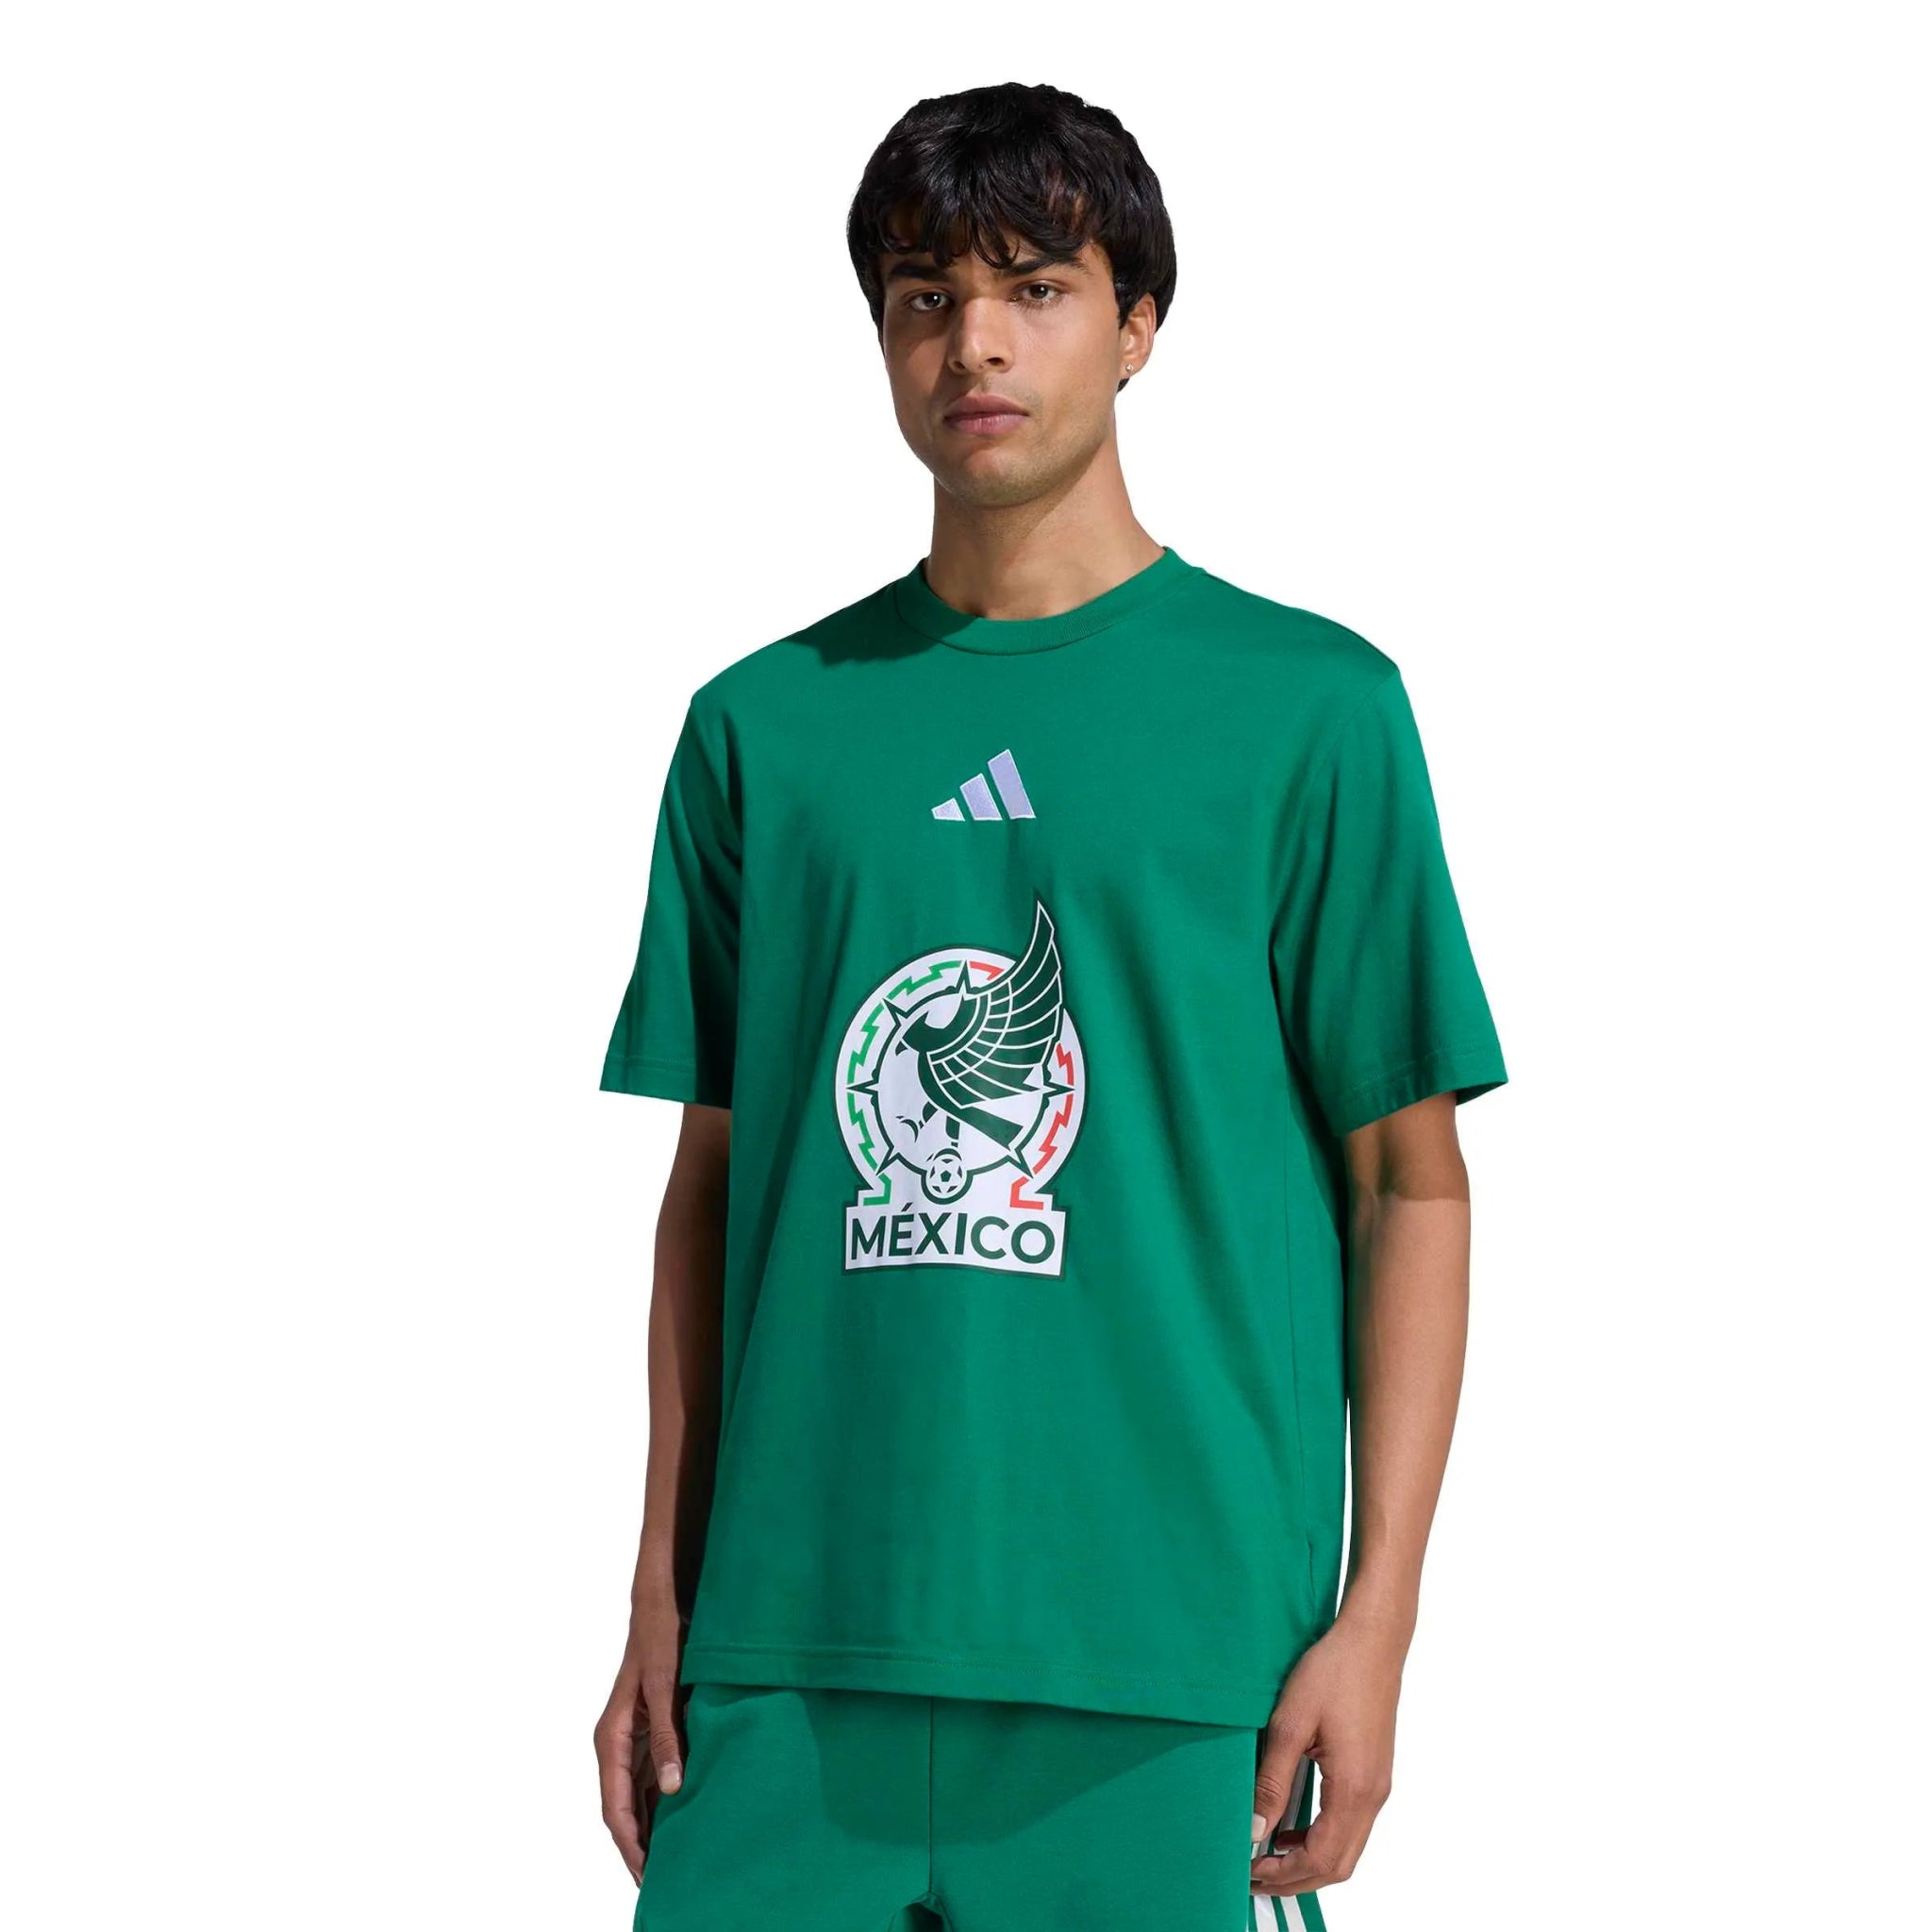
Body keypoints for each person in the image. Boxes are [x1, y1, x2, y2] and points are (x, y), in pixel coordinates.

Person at [592, 79, 1507, 1932]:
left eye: (1036, 286)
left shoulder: (1309, 710)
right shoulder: (761, 727)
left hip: (1170, 1664)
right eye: (925, 297)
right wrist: (657, 1595)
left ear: (1139, 322)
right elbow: (716, 1190)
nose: (976, 343)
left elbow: (1407, 1183)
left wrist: (1380, 1618)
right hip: (786, 1658)